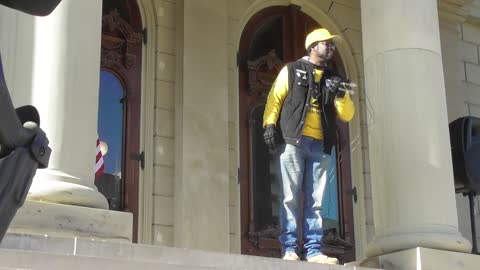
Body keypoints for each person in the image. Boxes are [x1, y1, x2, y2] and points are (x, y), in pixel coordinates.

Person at [263, 28, 354, 264]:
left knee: (315, 201)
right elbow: (275, 97)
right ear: (313, 46)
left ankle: (314, 250)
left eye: (333, 45)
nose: (332, 48)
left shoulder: (333, 77)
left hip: (320, 145)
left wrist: (341, 93)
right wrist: (269, 124)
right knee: (289, 198)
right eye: (328, 44)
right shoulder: (291, 70)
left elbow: (347, 114)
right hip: (293, 141)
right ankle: (289, 248)